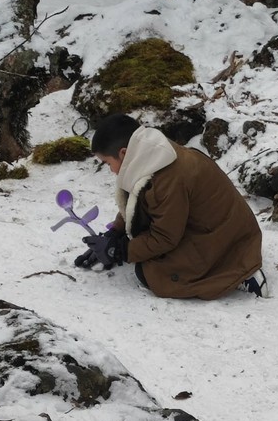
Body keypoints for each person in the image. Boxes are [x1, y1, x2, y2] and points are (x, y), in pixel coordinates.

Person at [74, 113, 267, 300]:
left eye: (108, 163)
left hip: (224, 238)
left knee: (152, 274)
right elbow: (141, 202)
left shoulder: (168, 179)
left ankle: (239, 274)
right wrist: (115, 234)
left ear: (123, 153)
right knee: (144, 257)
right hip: (219, 226)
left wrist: (120, 250)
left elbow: (164, 238)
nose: (111, 170)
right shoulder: (154, 154)